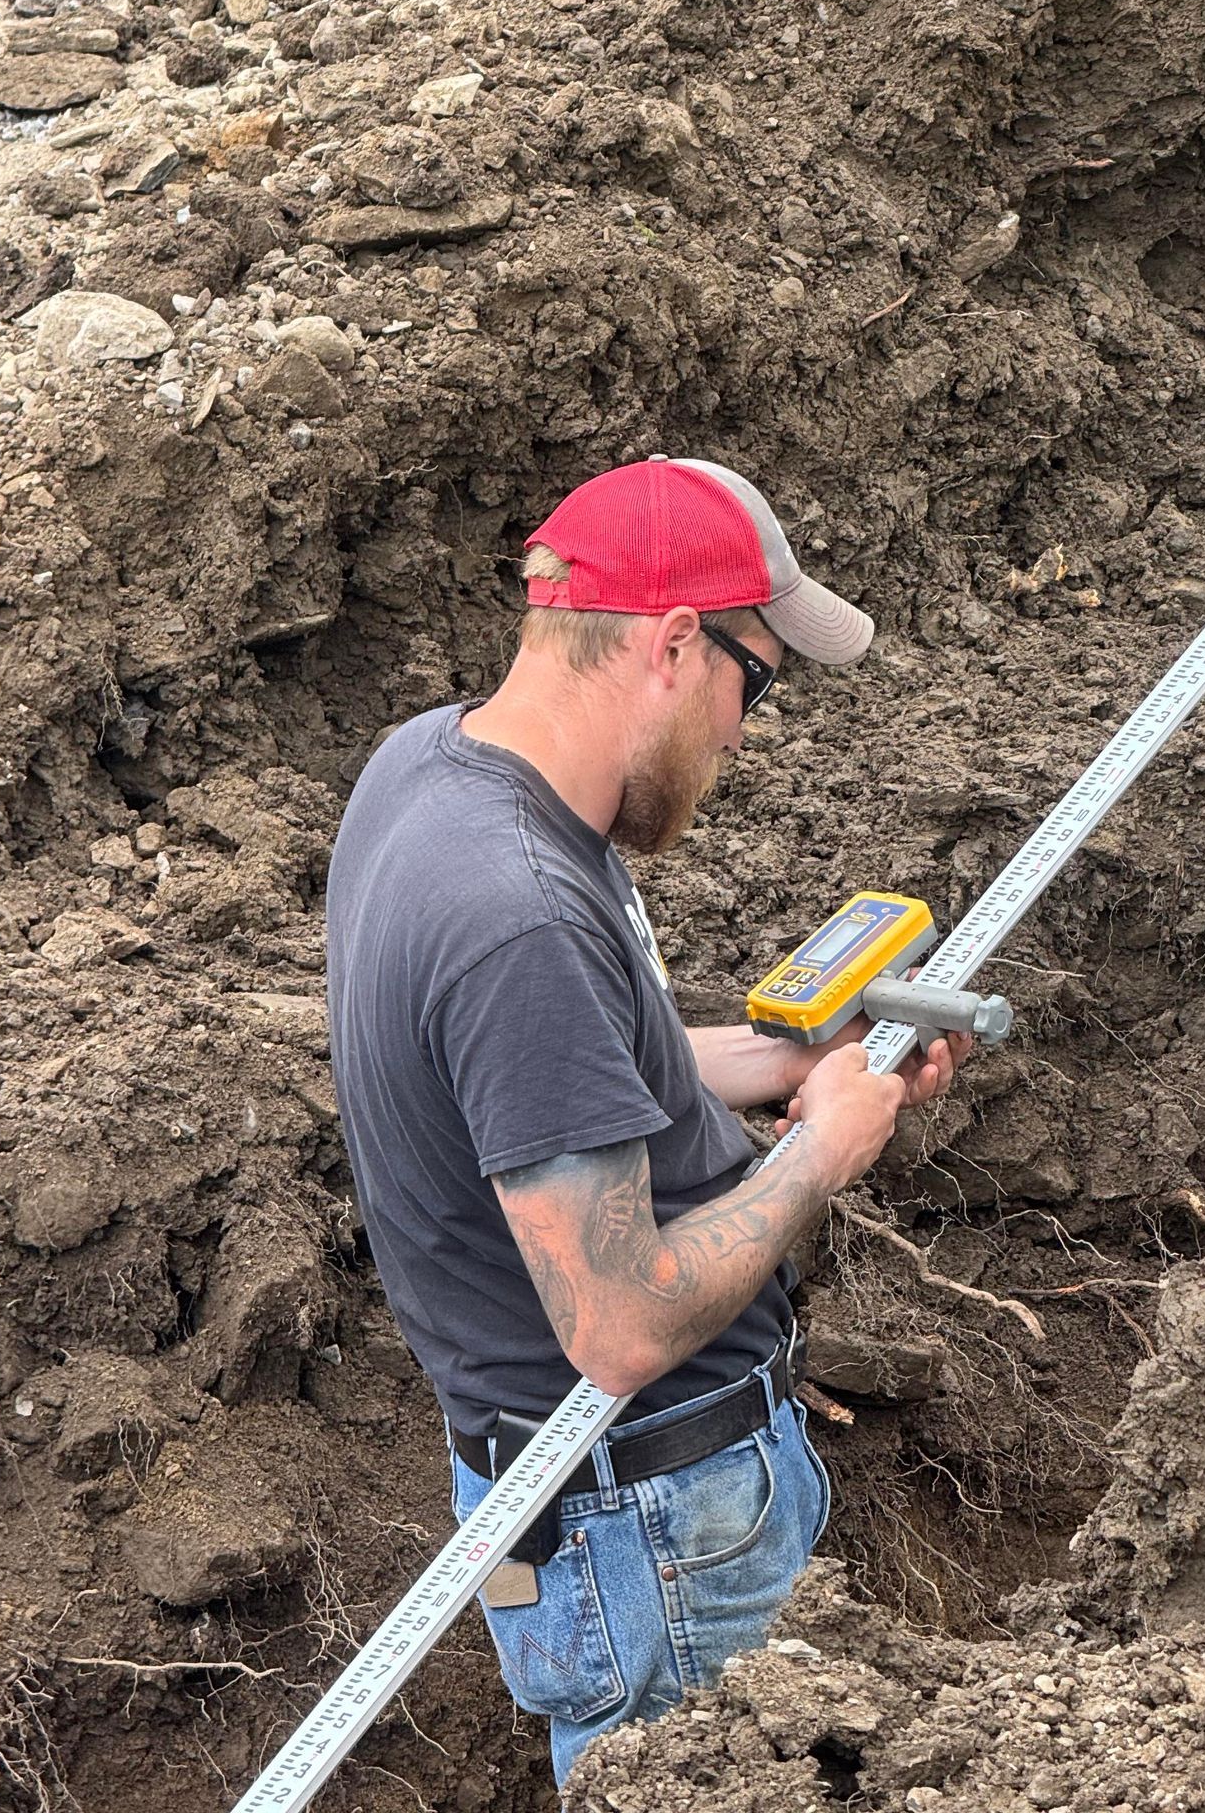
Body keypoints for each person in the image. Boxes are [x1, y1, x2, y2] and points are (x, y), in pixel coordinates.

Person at [325, 455, 967, 1782]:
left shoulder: (428, 774)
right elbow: (616, 1324)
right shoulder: (516, 914)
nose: (746, 731)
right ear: (676, 643)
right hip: (647, 1518)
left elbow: (547, 1071)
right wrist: (821, 1155)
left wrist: (784, 1065)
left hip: (585, 1510)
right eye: (756, 682)